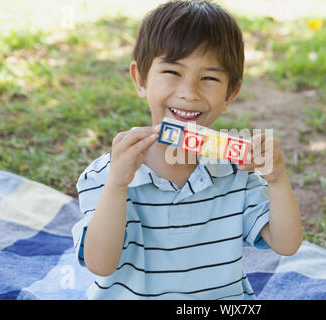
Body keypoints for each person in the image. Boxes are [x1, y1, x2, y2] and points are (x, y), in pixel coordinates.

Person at [72, 0, 302, 300]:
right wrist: (117, 185)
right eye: (172, 72)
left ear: (230, 92)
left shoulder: (237, 172)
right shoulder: (107, 174)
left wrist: (278, 180)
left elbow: (287, 245)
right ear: (141, 80)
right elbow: (100, 265)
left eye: (209, 78)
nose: (188, 93)